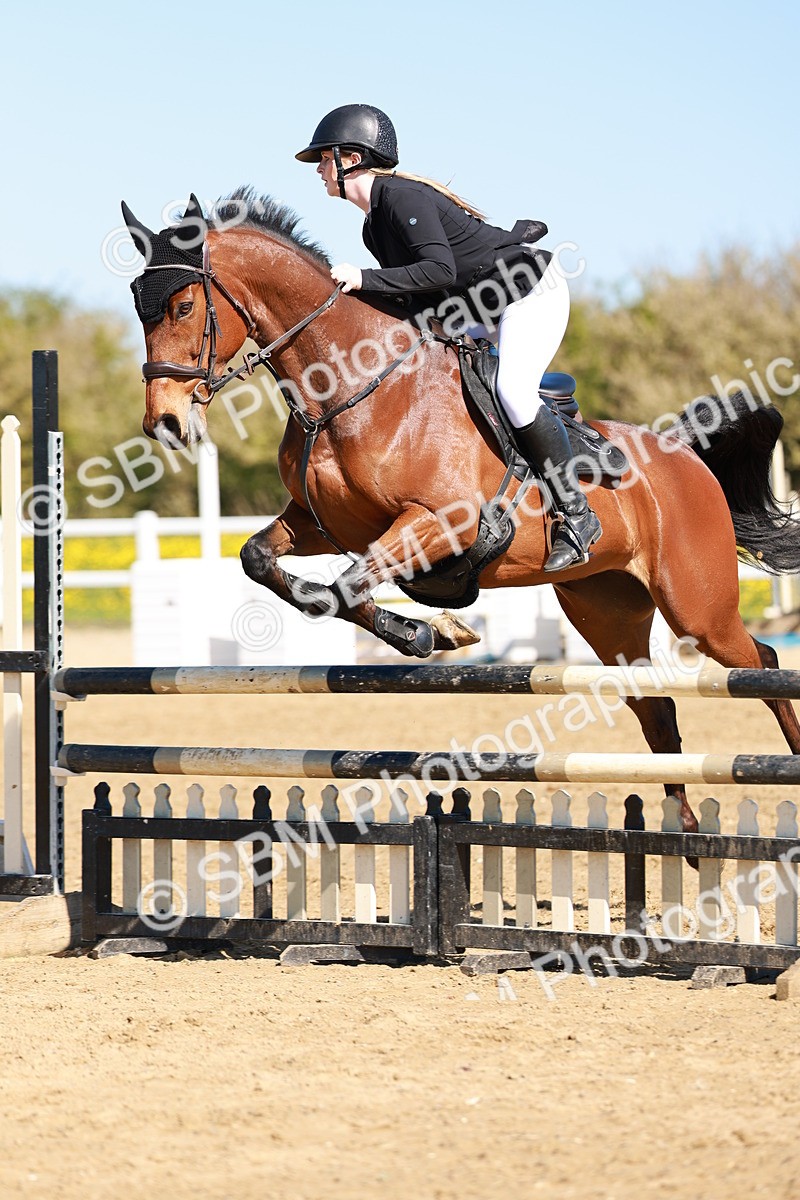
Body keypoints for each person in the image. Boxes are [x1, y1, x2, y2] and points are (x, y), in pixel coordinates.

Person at [295, 103, 601, 571]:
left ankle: (577, 515)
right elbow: (419, 299)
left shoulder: (400, 198)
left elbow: (439, 269)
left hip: (527, 293)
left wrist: (363, 278)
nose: (319, 170)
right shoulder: (373, 223)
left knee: (514, 393)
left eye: (323, 158)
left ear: (351, 158)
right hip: (477, 308)